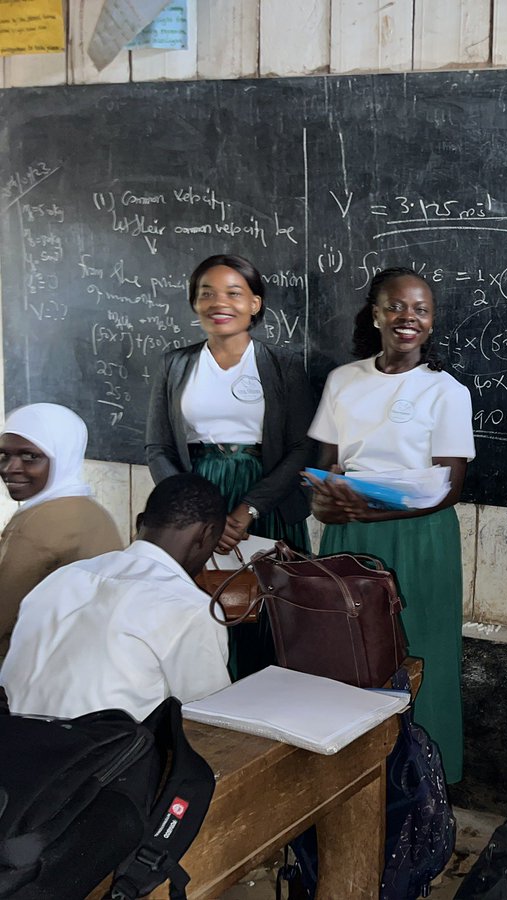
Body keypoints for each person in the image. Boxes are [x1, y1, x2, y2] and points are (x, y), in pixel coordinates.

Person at [306, 266, 475, 783]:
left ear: (431, 322)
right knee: (348, 650)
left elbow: (449, 486)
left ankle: (423, 777)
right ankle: (349, 773)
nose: (409, 318)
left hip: (420, 538)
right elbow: (326, 468)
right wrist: (327, 504)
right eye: (397, 306)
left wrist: (369, 509)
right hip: (350, 536)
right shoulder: (343, 381)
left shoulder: (446, 391)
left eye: (421, 310)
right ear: (376, 314)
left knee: (420, 648)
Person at [145, 253, 314, 679]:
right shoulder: (175, 364)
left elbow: (299, 448)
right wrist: (195, 514)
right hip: (195, 497)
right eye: (207, 293)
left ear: (255, 303)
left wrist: (246, 511)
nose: (219, 303)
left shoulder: (284, 366)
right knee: (198, 612)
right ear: (194, 303)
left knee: (269, 617)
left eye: (234, 293)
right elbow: (157, 447)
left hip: (266, 500)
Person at [0, 474, 231, 720]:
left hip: (13, 744)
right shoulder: (189, 608)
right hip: (97, 754)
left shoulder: (61, 578)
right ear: (207, 535)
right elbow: (209, 719)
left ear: (139, 522)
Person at [0, 403, 123, 658]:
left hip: (40, 670)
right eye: (4, 455)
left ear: (62, 455)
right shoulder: (92, 511)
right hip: (89, 660)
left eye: (30, 456)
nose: (9, 467)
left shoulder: (40, 522)